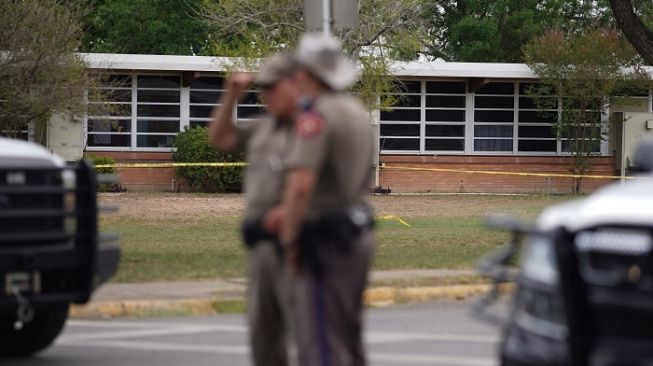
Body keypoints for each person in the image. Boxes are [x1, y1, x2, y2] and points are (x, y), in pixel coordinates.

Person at [266, 33, 376, 366]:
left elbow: (301, 185)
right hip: (357, 232)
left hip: (325, 238)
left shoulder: (317, 117)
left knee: (321, 344)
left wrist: (289, 239)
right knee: (348, 335)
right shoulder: (357, 112)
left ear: (305, 74)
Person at [208, 54, 300, 366]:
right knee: (264, 333)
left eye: (272, 88)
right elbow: (220, 137)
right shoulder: (263, 127)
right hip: (261, 245)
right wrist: (231, 95)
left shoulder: (312, 129)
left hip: (297, 246)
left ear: (294, 84)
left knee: (306, 334)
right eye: (262, 89)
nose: (265, 96)